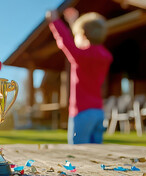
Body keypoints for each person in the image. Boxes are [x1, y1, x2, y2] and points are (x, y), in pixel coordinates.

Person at [46, 8, 113, 144]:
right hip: (98, 112)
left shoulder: (81, 56)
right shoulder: (106, 56)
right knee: (96, 155)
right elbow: (82, 43)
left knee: (78, 155)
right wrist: (74, 23)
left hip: (82, 113)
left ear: (82, 35)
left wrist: (55, 21)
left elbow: (66, 42)